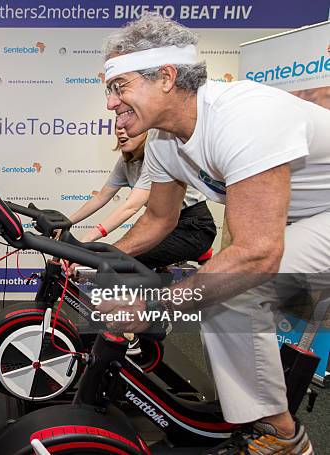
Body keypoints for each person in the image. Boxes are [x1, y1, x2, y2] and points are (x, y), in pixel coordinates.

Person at [99, 14, 330, 454]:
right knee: (219, 296)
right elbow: (158, 220)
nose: (111, 103)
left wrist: (154, 304)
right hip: (295, 218)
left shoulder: (242, 116)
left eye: (119, 86)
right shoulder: (166, 140)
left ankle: (284, 438)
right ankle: (252, 420)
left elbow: (258, 255)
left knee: (232, 288)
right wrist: (98, 255)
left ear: (166, 77)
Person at [69, 124, 216, 267]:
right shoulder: (126, 161)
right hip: (163, 226)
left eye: (127, 127)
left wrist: (87, 239)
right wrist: (67, 223)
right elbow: (101, 197)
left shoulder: (154, 158)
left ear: (146, 131)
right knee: (120, 256)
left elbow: (131, 207)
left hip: (193, 227)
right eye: (118, 127)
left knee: (124, 261)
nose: (121, 131)